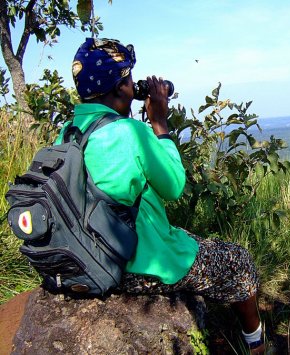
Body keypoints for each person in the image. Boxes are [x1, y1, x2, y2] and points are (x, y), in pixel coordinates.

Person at [57, 38, 265, 354]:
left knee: (187, 237)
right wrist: (159, 123)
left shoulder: (69, 131)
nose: (133, 86)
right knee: (240, 261)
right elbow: (174, 186)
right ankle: (256, 342)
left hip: (86, 252)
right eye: (128, 80)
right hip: (138, 265)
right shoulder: (129, 133)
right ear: (119, 88)